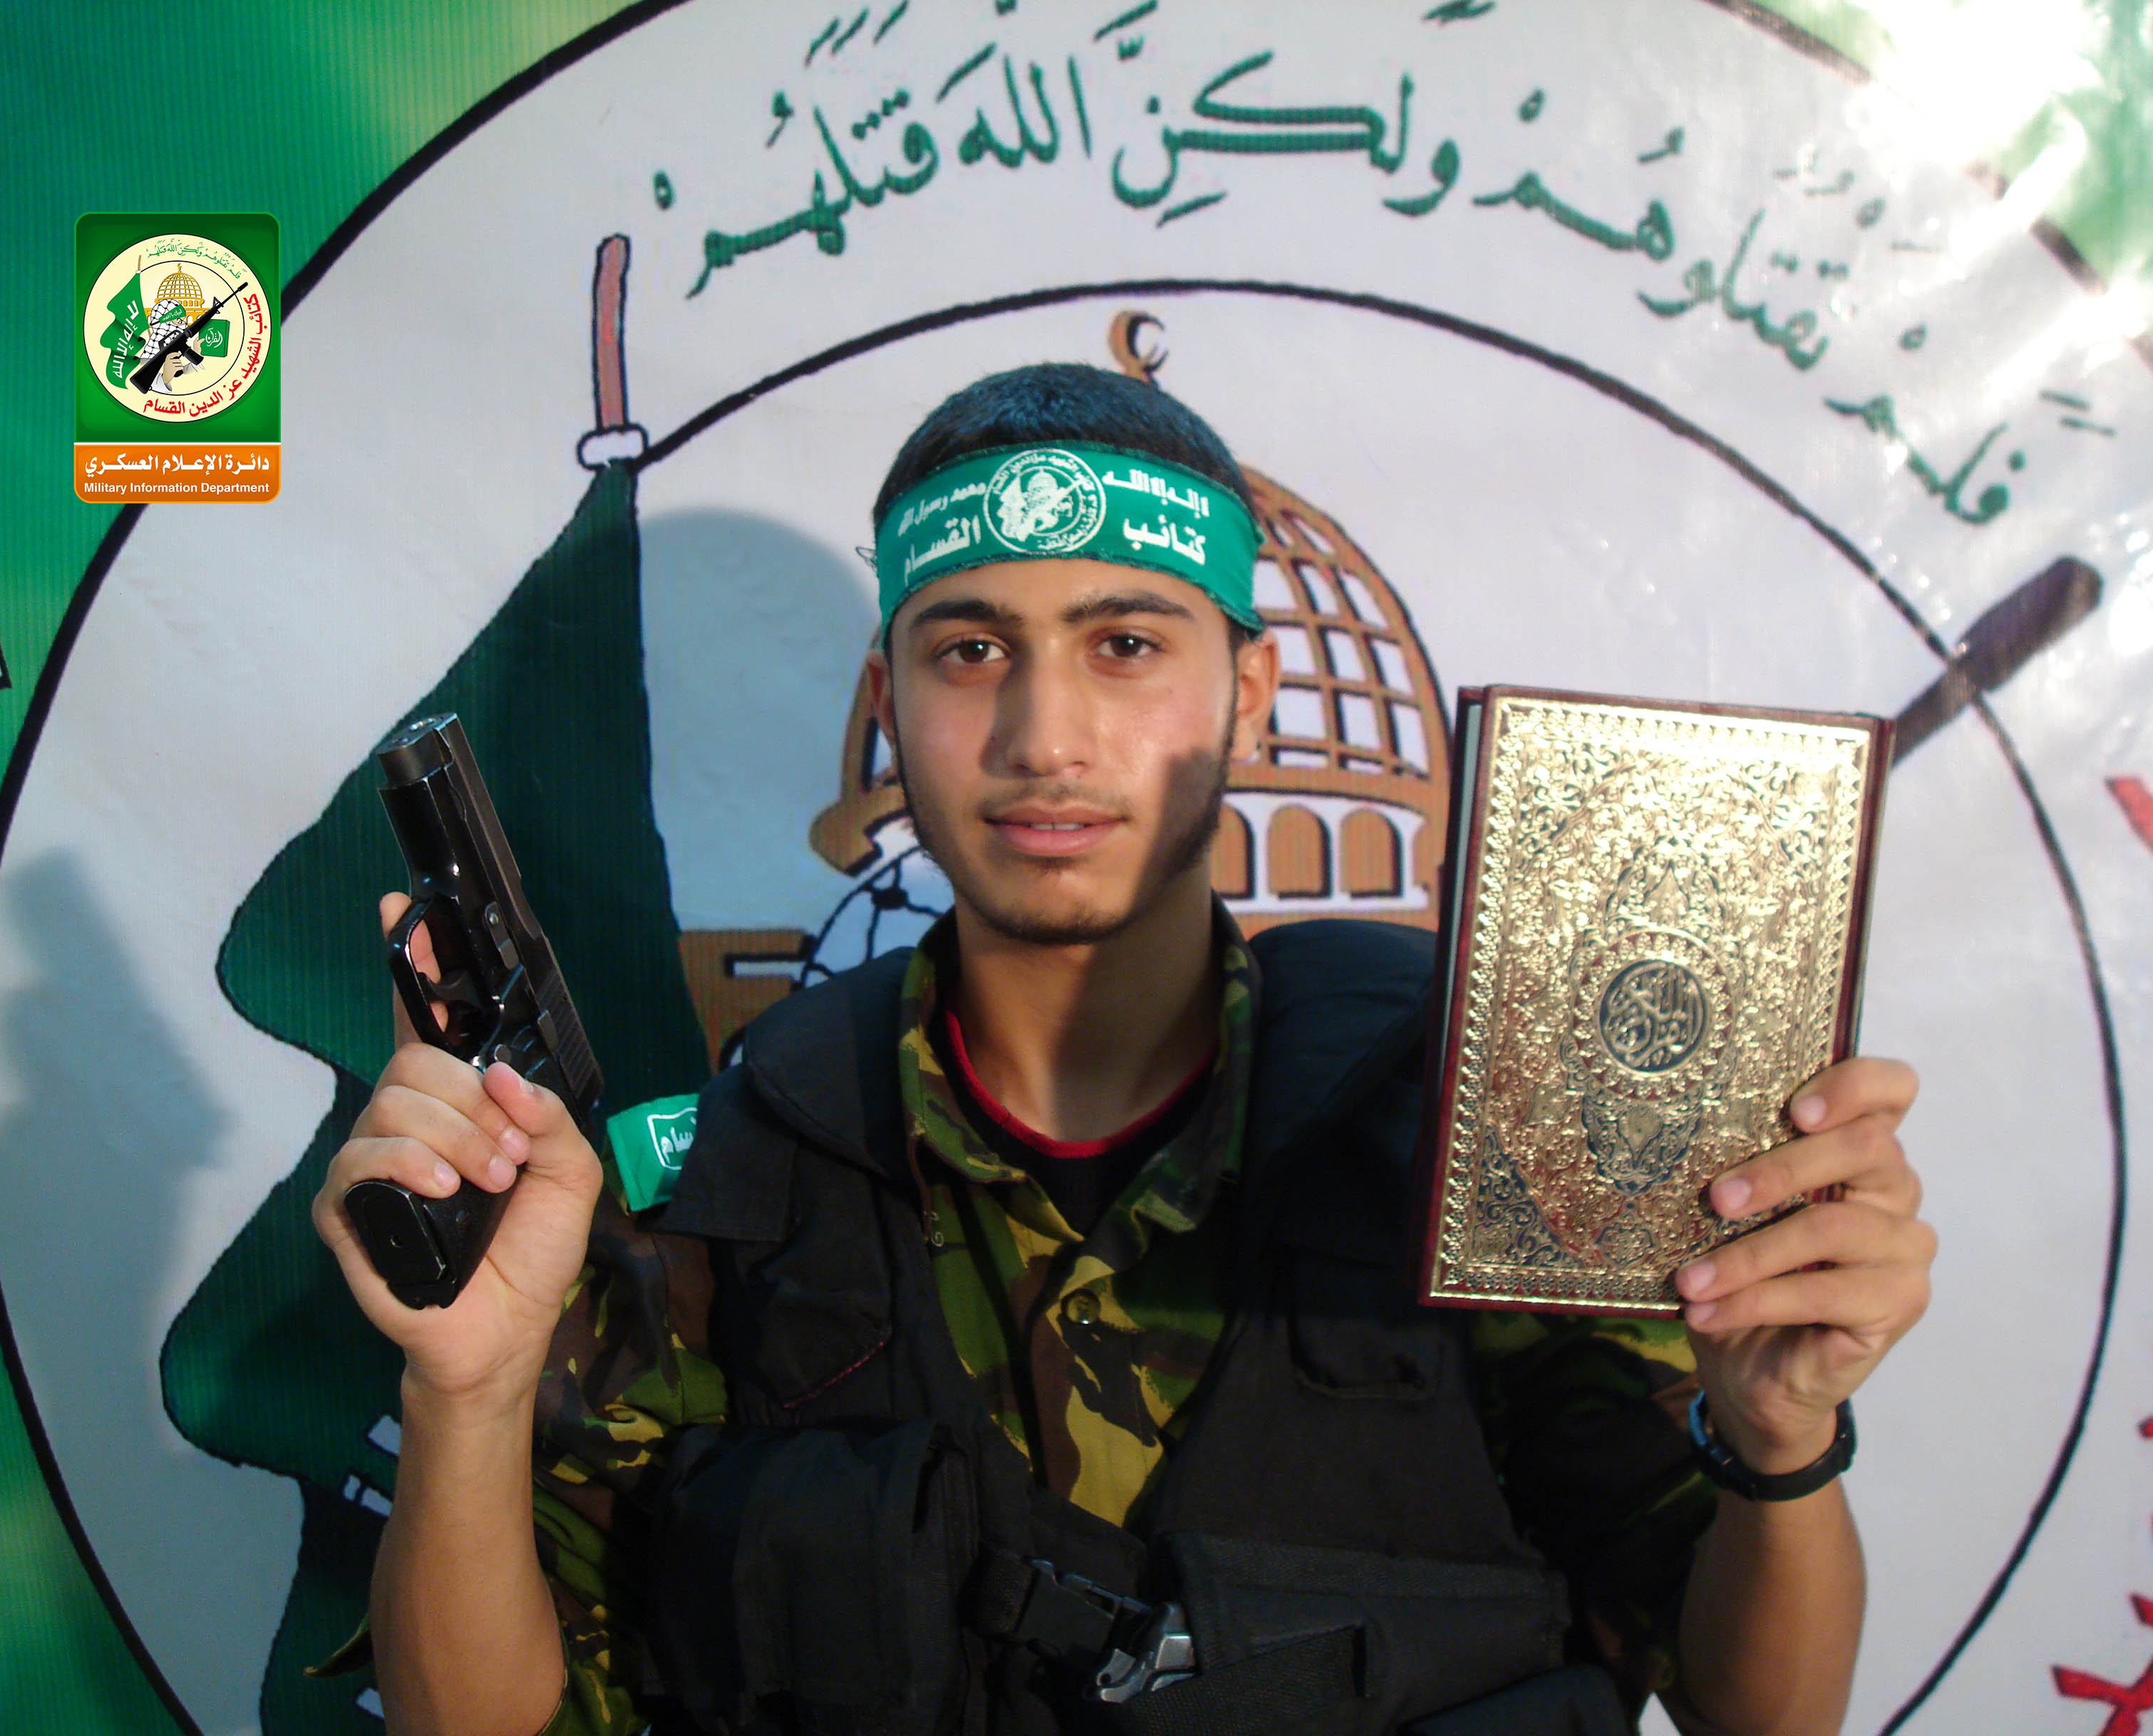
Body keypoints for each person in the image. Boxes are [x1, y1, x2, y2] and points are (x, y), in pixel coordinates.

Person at [313, 363, 1935, 1736]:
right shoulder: (734, 1176)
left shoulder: (1483, 1138)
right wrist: (469, 1391)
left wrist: (1780, 1440)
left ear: (1252, 694)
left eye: (1128, 645)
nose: (1045, 739)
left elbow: (1758, 1714)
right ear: (890, 698)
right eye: (971, 651)